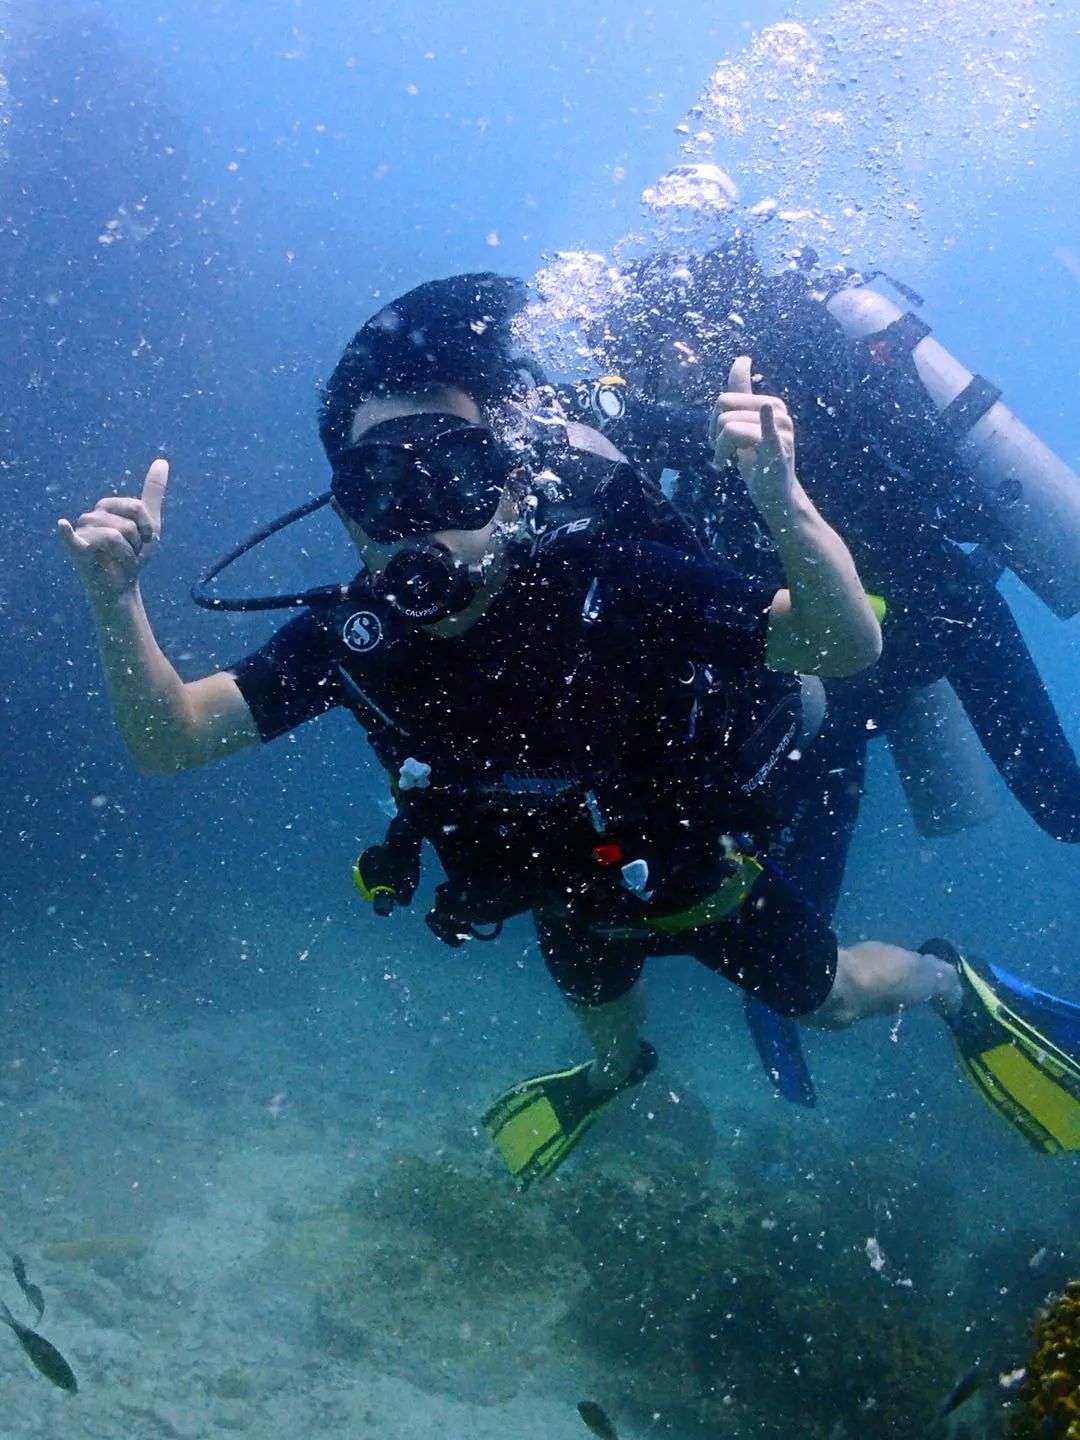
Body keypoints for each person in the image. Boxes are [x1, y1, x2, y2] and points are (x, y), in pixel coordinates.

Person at [58, 273, 1080, 1186]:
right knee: (610, 1039)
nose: (417, 521)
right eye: (379, 488)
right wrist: (118, 604)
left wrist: (784, 502)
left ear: (513, 482)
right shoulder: (354, 635)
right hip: (560, 896)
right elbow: (175, 738)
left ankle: (954, 985)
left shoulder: (617, 581)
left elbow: (837, 647)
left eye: (451, 477)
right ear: (347, 516)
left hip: (696, 876)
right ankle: (614, 1075)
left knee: (837, 999)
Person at [577, 212, 1080, 845]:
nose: (650, 384)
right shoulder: (692, 436)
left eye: (646, 363)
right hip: (829, 666)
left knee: (1062, 806)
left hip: (938, 612)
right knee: (781, 885)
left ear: (682, 337)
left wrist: (632, 416)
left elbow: (782, 444)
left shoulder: (793, 352)